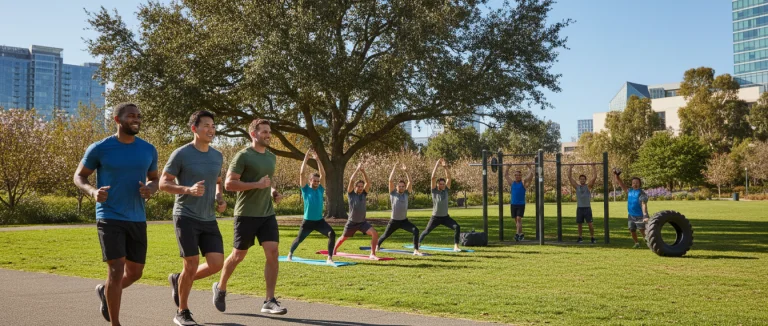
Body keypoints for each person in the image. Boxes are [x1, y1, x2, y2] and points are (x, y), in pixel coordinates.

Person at [73, 103, 159, 326]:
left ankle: (105, 291)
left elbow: (155, 179)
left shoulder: (148, 149)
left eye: (139, 116)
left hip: (137, 217)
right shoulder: (100, 148)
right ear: (117, 119)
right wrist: (93, 192)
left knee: (136, 272)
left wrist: (150, 189)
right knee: (116, 269)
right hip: (109, 215)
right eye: (131, 115)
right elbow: (79, 176)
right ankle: (116, 323)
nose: (136, 119)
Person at [212, 119, 287, 315]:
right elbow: (229, 184)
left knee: (273, 252)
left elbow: (266, 182)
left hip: (267, 213)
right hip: (245, 214)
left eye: (269, 132)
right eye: (264, 132)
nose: (268, 135)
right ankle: (220, 287)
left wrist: (272, 191)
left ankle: (269, 300)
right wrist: (257, 185)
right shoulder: (242, 156)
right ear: (253, 134)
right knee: (238, 255)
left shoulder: (271, 157)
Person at [159, 111, 226, 326]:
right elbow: (163, 183)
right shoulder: (181, 154)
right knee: (192, 264)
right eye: (206, 125)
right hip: (185, 216)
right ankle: (182, 311)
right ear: (194, 128)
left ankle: (179, 281)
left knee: (216, 263)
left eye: (213, 126)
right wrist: (187, 189)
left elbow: (217, 180)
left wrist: (219, 197)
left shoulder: (217, 156)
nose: (211, 130)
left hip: (208, 218)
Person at [287, 149, 336, 264]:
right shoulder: (305, 189)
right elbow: (301, 173)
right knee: (299, 239)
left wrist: (318, 160)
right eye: (314, 181)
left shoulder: (320, 189)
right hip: (307, 222)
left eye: (318, 181)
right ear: (310, 181)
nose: (316, 183)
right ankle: (290, 254)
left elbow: (323, 174)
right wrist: (306, 158)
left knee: (332, 234)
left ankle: (329, 258)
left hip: (319, 221)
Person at [333, 163, 380, 259]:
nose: (361, 188)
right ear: (355, 187)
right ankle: (333, 250)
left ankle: (372, 254)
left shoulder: (364, 194)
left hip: (362, 223)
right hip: (351, 222)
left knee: (374, 234)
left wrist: (363, 172)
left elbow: (368, 182)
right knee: (343, 238)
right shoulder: (351, 194)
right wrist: (357, 169)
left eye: (362, 186)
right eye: (358, 186)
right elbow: (351, 180)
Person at [377, 162, 424, 256]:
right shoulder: (393, 193)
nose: (401, 188)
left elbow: (410, 181)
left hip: (404, 221)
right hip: (393, 221)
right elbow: (390, 180)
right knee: (386, 235)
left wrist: (406, 171)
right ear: (397, 187)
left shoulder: (406, 193)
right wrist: (394, 167)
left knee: (416, 230)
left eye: (403, 186)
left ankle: (416, 250)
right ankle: (377, 245)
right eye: (400, 186)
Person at [419, 158, 462, 252]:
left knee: (457, 227)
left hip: (445, 217)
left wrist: (445, 167)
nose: (442, 185)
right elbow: (432, 177)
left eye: (443, 184)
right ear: (438, 184)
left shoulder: (446, 190)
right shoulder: (434, 191)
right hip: (435, 218)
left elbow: (449, 178)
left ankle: (456, 245)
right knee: (426, 231)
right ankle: (418, 243)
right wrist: (436, 164)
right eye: (441, 184)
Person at [613, 169, 649, 248]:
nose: (635, 184)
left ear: (639, 184)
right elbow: (620, 183)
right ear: (632, 184)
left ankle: (648, 242)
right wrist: (617, 175)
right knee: (632, 230)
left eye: (637, 183)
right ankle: (636, 244)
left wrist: (645, 215)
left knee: (642, 230)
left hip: (640, 215)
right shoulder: (629, 191)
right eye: (633, 183)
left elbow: (643, 204)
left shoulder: (641, 193)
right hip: (631, 215)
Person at [567, 164, 597, 244]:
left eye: (583, 179)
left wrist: (593, 166)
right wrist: (570, 167)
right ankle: (580, 237)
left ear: (585, 180)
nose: (582, 180)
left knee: (590, 224)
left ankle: (592, 237)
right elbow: (569, 177)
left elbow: (594, 178)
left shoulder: (588, 187)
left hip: (587, 208)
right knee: (579, 224)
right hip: (579, 208)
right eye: (581, 179)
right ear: (579, 180)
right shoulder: (577, 187)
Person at [504, 164, 533, 242]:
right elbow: (506, 176)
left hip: (521, 204)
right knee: (516, 221)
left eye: (519, 175)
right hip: (513, 204)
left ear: (521, 176)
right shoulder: (512, 183)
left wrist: (530, 167)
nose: (518, 176)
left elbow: (530, 177)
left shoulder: (523, 183)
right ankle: (521, 235)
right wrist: (508, 167)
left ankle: (517, 234)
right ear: (515, 176)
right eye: (516, 175)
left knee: (519, 218)